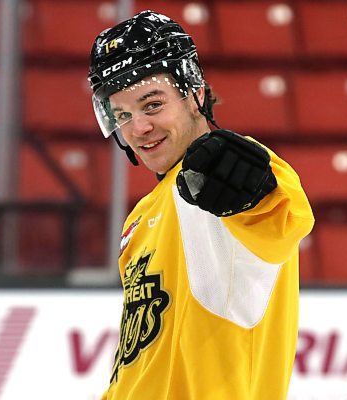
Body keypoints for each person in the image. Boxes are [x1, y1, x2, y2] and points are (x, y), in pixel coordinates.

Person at [88, 10, 314, 400]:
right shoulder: (140, 218)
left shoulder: (214, 181)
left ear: (195, 94)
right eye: (123, 115)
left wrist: (254, 188)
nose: (138, 127)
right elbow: (140, 361)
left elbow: (280, 212)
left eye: (153, 105)